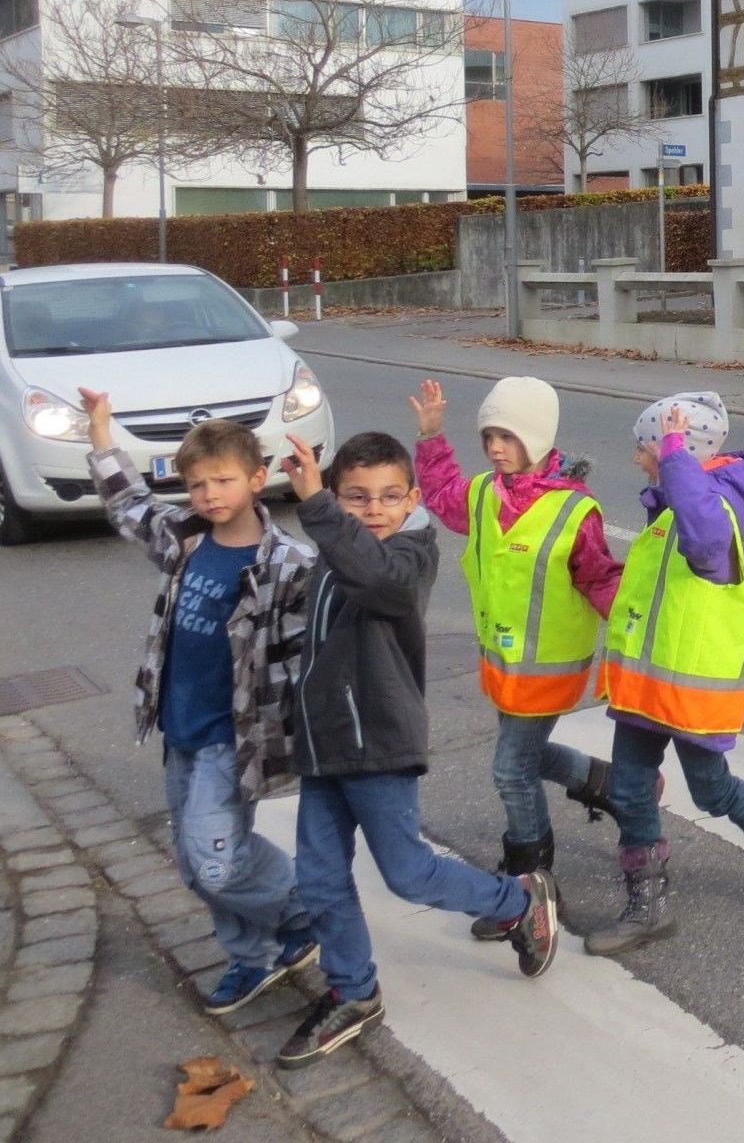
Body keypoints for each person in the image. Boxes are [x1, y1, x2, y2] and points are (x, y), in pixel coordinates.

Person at [277, 432, 559, 1068]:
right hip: (324, 746)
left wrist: (321, 507)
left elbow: (384, 587)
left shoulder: (408, 556)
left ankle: (518, 900)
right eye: (356, 498)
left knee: (408, 874)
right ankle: (354, 990)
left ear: (411, 500)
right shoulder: (334, 552)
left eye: (387, 497)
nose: (373, 509)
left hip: (378, 742)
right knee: (319, 879)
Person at [79, 393, 318, 1018]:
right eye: (197, 483)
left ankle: (302, 910)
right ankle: (254, 952)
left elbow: (310, 656)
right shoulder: (184, 540)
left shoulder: (287, 564)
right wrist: (102, 435)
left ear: (256, 480)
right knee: (194, 863)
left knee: (215, 864)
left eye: (224, 480)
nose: (210, 494)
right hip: (181, 730)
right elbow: (130, 504)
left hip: (234, 739)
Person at [586, 393, 744, 955]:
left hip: (689, 690)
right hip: (647, 689)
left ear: (682, 450)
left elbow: (703, 545)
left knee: (710, 788)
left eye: (646, 447)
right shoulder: (673, 509)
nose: (638, 458)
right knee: (628, 787)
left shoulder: (711, 512)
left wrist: (672, 456)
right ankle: (647, 904)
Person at [411, 376, 621, 931]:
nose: (496, 448)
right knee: (525, 757)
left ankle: (530, 880)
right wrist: (432, 438)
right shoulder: (484, 493)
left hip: (550, 668)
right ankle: (610, 784)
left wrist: (635, 638)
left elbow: (602, 580)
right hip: (502, 664)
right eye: (488, 437)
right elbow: (443, 498)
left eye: (508, 436)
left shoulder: (575, 512)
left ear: (537, 437)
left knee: (510, 770)